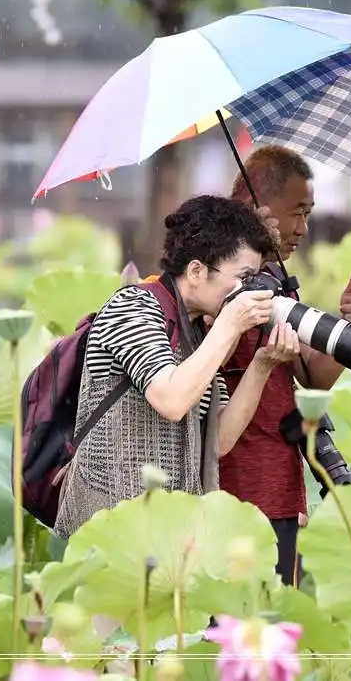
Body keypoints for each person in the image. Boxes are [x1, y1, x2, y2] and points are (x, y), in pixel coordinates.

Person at [54, 195, 302, 539]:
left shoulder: (199, 332)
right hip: (108, 528)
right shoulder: (133, 308)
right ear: (197, 271)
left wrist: (262, 366)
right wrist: (230, 325)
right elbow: (170, 399)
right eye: (244, 277)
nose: (252, 292)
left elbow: (220, 440)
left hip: (169, 535)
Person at [220, 145, 351, 586]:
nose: (305, 229)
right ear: (257, 208)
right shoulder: (214, 275)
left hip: (281, 486)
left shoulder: (277, 284)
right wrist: (242, 248)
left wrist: (348, 328)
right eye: (298, 213)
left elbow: (313, 375)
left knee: (274, 627)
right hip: (229, 490)